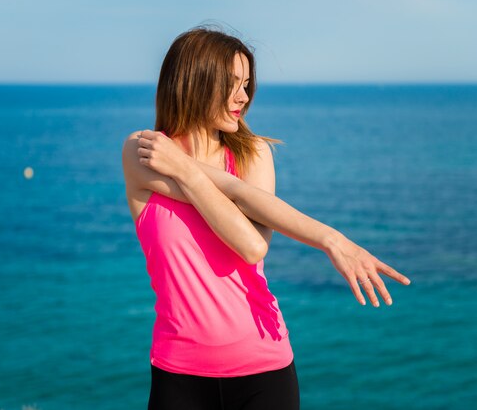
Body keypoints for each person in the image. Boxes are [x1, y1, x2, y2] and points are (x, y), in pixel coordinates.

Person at [121, 26, 411, 410]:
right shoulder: (143, 151)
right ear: (195, 81)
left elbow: (251, 246)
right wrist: (190, 171)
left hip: (263, 370)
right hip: (178, 375)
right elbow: (238, 205)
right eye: (232, 84)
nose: (243, 97)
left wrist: (334, 239)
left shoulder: (253, 154)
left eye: (246, 84)